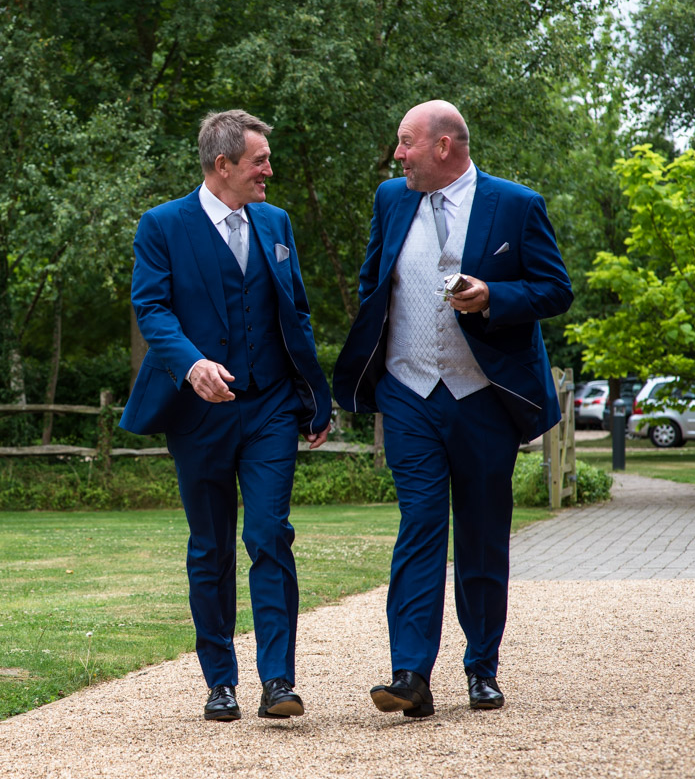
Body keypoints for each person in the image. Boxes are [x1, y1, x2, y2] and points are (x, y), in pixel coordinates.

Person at [333, 100, 573, 718]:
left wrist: (495, 294)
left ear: (443, 147)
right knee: (419, 526)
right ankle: (410, 672)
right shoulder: (392, 199)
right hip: (408, 393)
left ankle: (481, 668)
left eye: (405, 143)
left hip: (483, 398)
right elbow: (372, 282)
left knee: (483, 533)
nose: (397, 155)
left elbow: (555, 289)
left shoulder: (516, 205)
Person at [119, 110, 332, 722]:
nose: (270, 170)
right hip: (200, 415)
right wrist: (192, 365)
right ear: (224, 166)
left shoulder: (276, 222)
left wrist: (314, 398)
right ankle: (220, 681)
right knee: (210, 548)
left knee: (269, 535)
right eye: (260, 160)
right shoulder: (162, 226)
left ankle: (279, 681)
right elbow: (152, 309)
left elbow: (297, 314)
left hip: (268, 408)